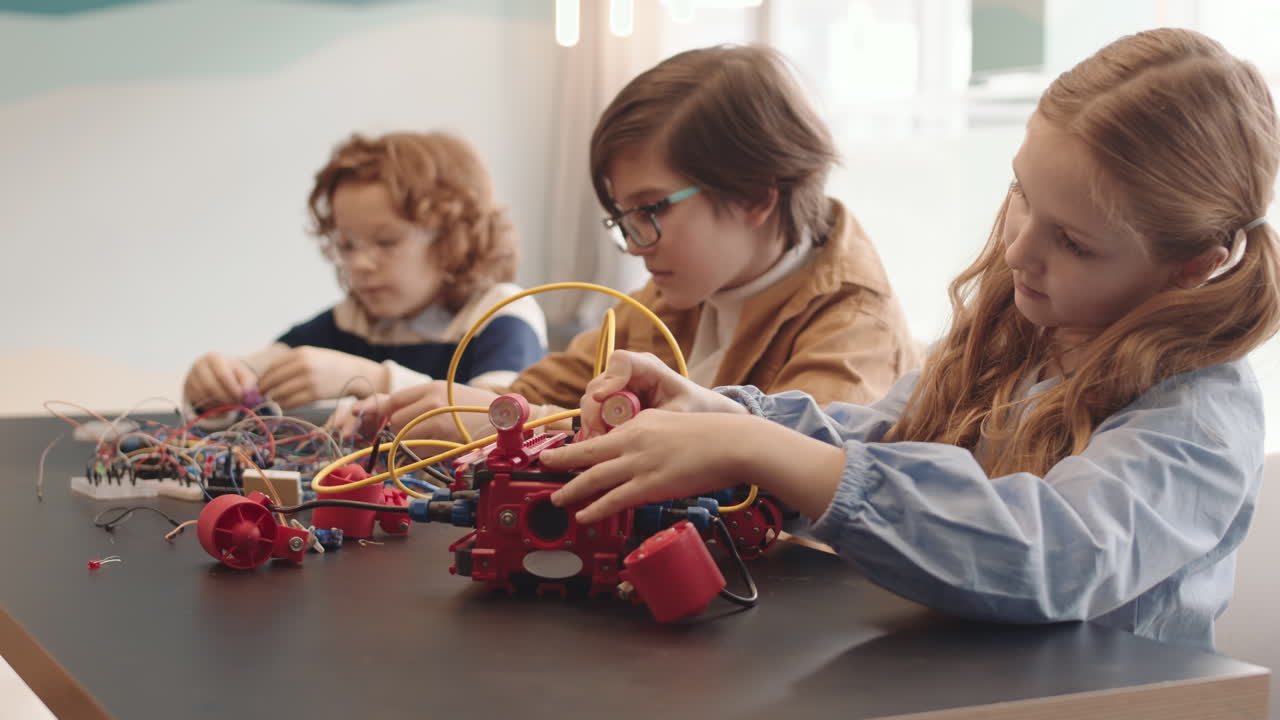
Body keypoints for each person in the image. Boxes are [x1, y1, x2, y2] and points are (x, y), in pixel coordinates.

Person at [543, 28, 1280, 651]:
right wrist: (725, 417)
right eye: (1022, 195)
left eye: (1074, 242)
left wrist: (754, 449)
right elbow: (891, 443)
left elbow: (1052, 557)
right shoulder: (1024, 334)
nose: (1018, 250)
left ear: (1193, 265)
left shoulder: (1200, 416)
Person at [334, 45, 919, 441]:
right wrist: (428, 403)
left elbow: (788, 481)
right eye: (624, 216)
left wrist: (523, 422)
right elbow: (533, 392)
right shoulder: (676, 295)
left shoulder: (853, 329)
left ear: (754, 196)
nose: (636, 245)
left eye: (652, 209)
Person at [182, 132, 546, 416]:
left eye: (386, 242)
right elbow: (251, 376)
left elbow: (498, 418)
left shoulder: (502, 314)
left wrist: (373, 380)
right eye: (346, 246)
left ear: (454, 238)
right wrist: (214, 384)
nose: (359, 264)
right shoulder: (352, 321)